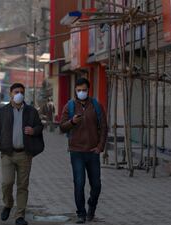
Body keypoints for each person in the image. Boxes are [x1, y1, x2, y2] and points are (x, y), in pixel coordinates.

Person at [0, 83, 44, 225]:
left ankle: (19, 216)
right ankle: (8, 204)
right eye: (16, 92)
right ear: (11, 93)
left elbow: (39, 126)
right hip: (7, 154)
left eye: (21, 92)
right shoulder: (2, 112)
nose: (19, 94)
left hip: (25, 154)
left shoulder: (31, 111)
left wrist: (34, 130)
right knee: (7, 183)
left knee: (22, 186)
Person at [60, 78, 108, 224]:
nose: (81, 92)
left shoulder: (96, 106)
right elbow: (62, 127)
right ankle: (81, 213)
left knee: (97, 185)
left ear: (88, 90)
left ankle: (91, 207)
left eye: (84, 90)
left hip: (93, 152)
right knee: (79, 183)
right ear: (75, 90)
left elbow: (104, 128)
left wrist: (100, 147)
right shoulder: (69, 106)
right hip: (76, 152)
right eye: (79, 90)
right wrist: (72, 122)